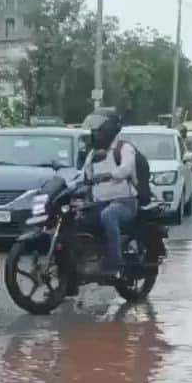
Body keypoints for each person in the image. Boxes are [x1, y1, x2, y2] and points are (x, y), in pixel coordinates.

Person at [81, 107, 138, 279]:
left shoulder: (124, 148)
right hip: (99, 201)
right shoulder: (92, 153)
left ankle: (114, 262)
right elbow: (85, 174)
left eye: (99, 130)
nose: (96, 133)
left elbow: (126, 169)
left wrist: (109, 175)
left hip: (124, 202)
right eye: (94, 130)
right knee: (77, 218)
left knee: (108, 215)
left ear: (110, 129)